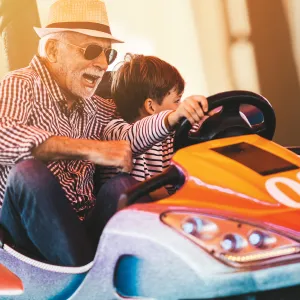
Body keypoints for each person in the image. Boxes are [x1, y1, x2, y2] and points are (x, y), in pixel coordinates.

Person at [0, 0, 209, 267]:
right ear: (52, 49)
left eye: (108, 55)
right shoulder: (21, 85)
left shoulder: (96, 106)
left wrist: (177, 116)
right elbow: (3, 136)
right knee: (28, 173)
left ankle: (172, 269)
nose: (102, 64)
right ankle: (86, 283)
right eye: (91, 50)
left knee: (122, 188)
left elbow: (129, 135)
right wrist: (90, 149)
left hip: (82, 231)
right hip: (26, 243)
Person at [102, 54, 210, 199]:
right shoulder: (115, 133)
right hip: (139, 214)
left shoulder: (174, 133)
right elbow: (131, 140)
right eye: (177, 101)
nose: (179, 107)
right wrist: (173, 117)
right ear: (150, 107)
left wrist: (206, 119)